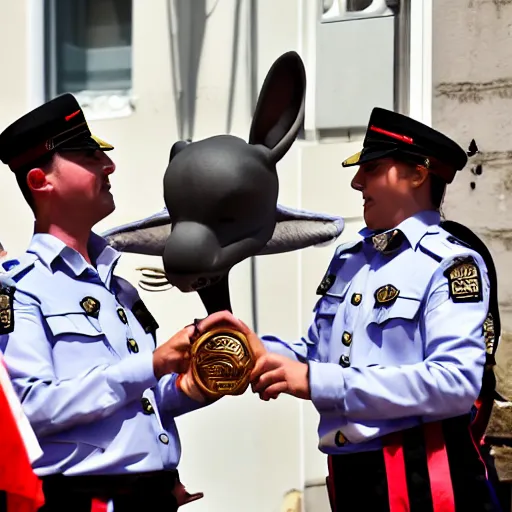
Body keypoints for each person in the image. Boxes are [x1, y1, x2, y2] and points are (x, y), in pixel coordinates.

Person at [231, 107, 501, 511]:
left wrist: (319, 382)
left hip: (421, 480)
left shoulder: (449, 262)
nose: (357, 182)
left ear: (417, 173)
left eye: (372, 168)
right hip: (351, 475)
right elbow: (315, 354)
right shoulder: (350, 257)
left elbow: (455, 384)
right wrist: (248, 349)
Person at [0, 93, 226, 512]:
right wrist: (153, 363)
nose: (109, 165)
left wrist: (191, 385)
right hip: (85, 501)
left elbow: (140, 399)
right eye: (88, 155)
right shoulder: (18, 289)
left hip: (150, 494)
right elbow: (28, 410)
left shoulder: (119, 289)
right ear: (39, 181)